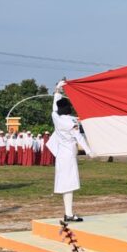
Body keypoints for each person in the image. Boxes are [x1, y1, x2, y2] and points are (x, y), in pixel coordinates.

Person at [46, 80, 95, 222]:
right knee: (70, 183)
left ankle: (68, 212)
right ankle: (68, 213)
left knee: (66, 183)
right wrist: (88, 151)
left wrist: (58, 90)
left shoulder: (56, 117)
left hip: (60, 153)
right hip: (68, 154)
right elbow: (79, 137)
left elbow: (55, 107)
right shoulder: (70, 122)